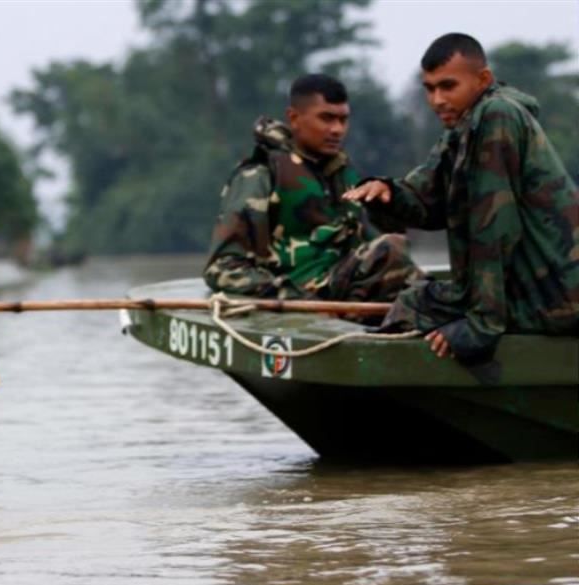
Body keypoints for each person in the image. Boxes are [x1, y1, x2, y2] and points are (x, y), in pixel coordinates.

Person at [344, 33, 579, 361]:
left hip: (556, 297)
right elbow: (425, 199)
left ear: (483, 79)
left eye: (447, 86)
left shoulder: (498, 115)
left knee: (414, 307)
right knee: (414, 300)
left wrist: (482, 325)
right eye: (429, 89)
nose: (437, 100)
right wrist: (387, 193)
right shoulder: (461, 131)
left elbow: (495, 226)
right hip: (532, 290)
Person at [204, 73, 423, 303]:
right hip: (298, 295)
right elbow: (222, 268)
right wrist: (293, 296)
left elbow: (371, 242)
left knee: (401, 258)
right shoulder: (260, 174)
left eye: (343, 120)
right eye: (326, 119)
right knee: (390, 249)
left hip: (343, 289)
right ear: (294, 118)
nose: (337, 129)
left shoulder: (341, 173)